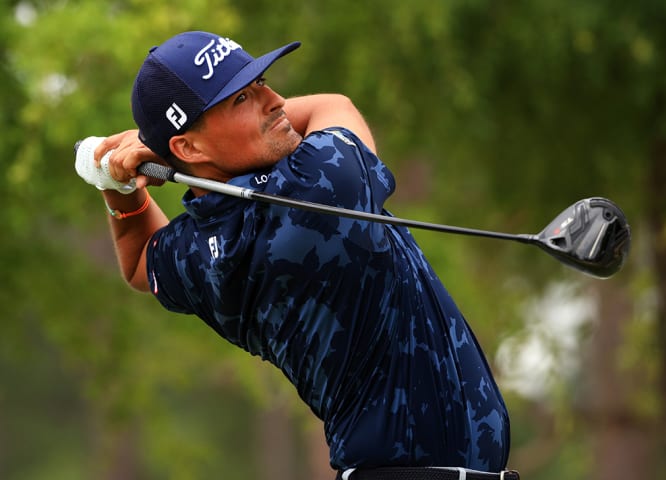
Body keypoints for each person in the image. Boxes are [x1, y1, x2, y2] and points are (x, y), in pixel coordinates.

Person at [76, 31, 520, 480]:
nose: (276, 100)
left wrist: (115, 185)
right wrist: (141, 150)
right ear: (188, 148)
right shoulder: (320, 186)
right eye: (242, 99)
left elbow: (138, 263)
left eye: (262, 81)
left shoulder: (198, 251)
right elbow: (334, 105)